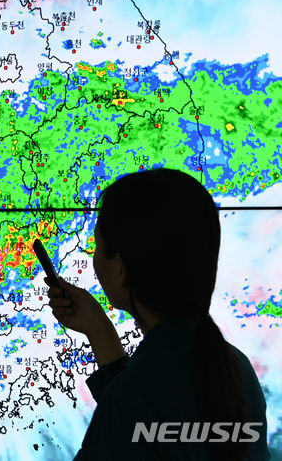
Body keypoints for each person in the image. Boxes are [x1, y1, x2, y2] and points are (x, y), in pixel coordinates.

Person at [44, 168, 270, 460]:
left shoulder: (131, 399)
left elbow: (139, 422)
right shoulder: (236, 372)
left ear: (121, 268)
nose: (95, 256)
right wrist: (98, 328)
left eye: (98, 245)